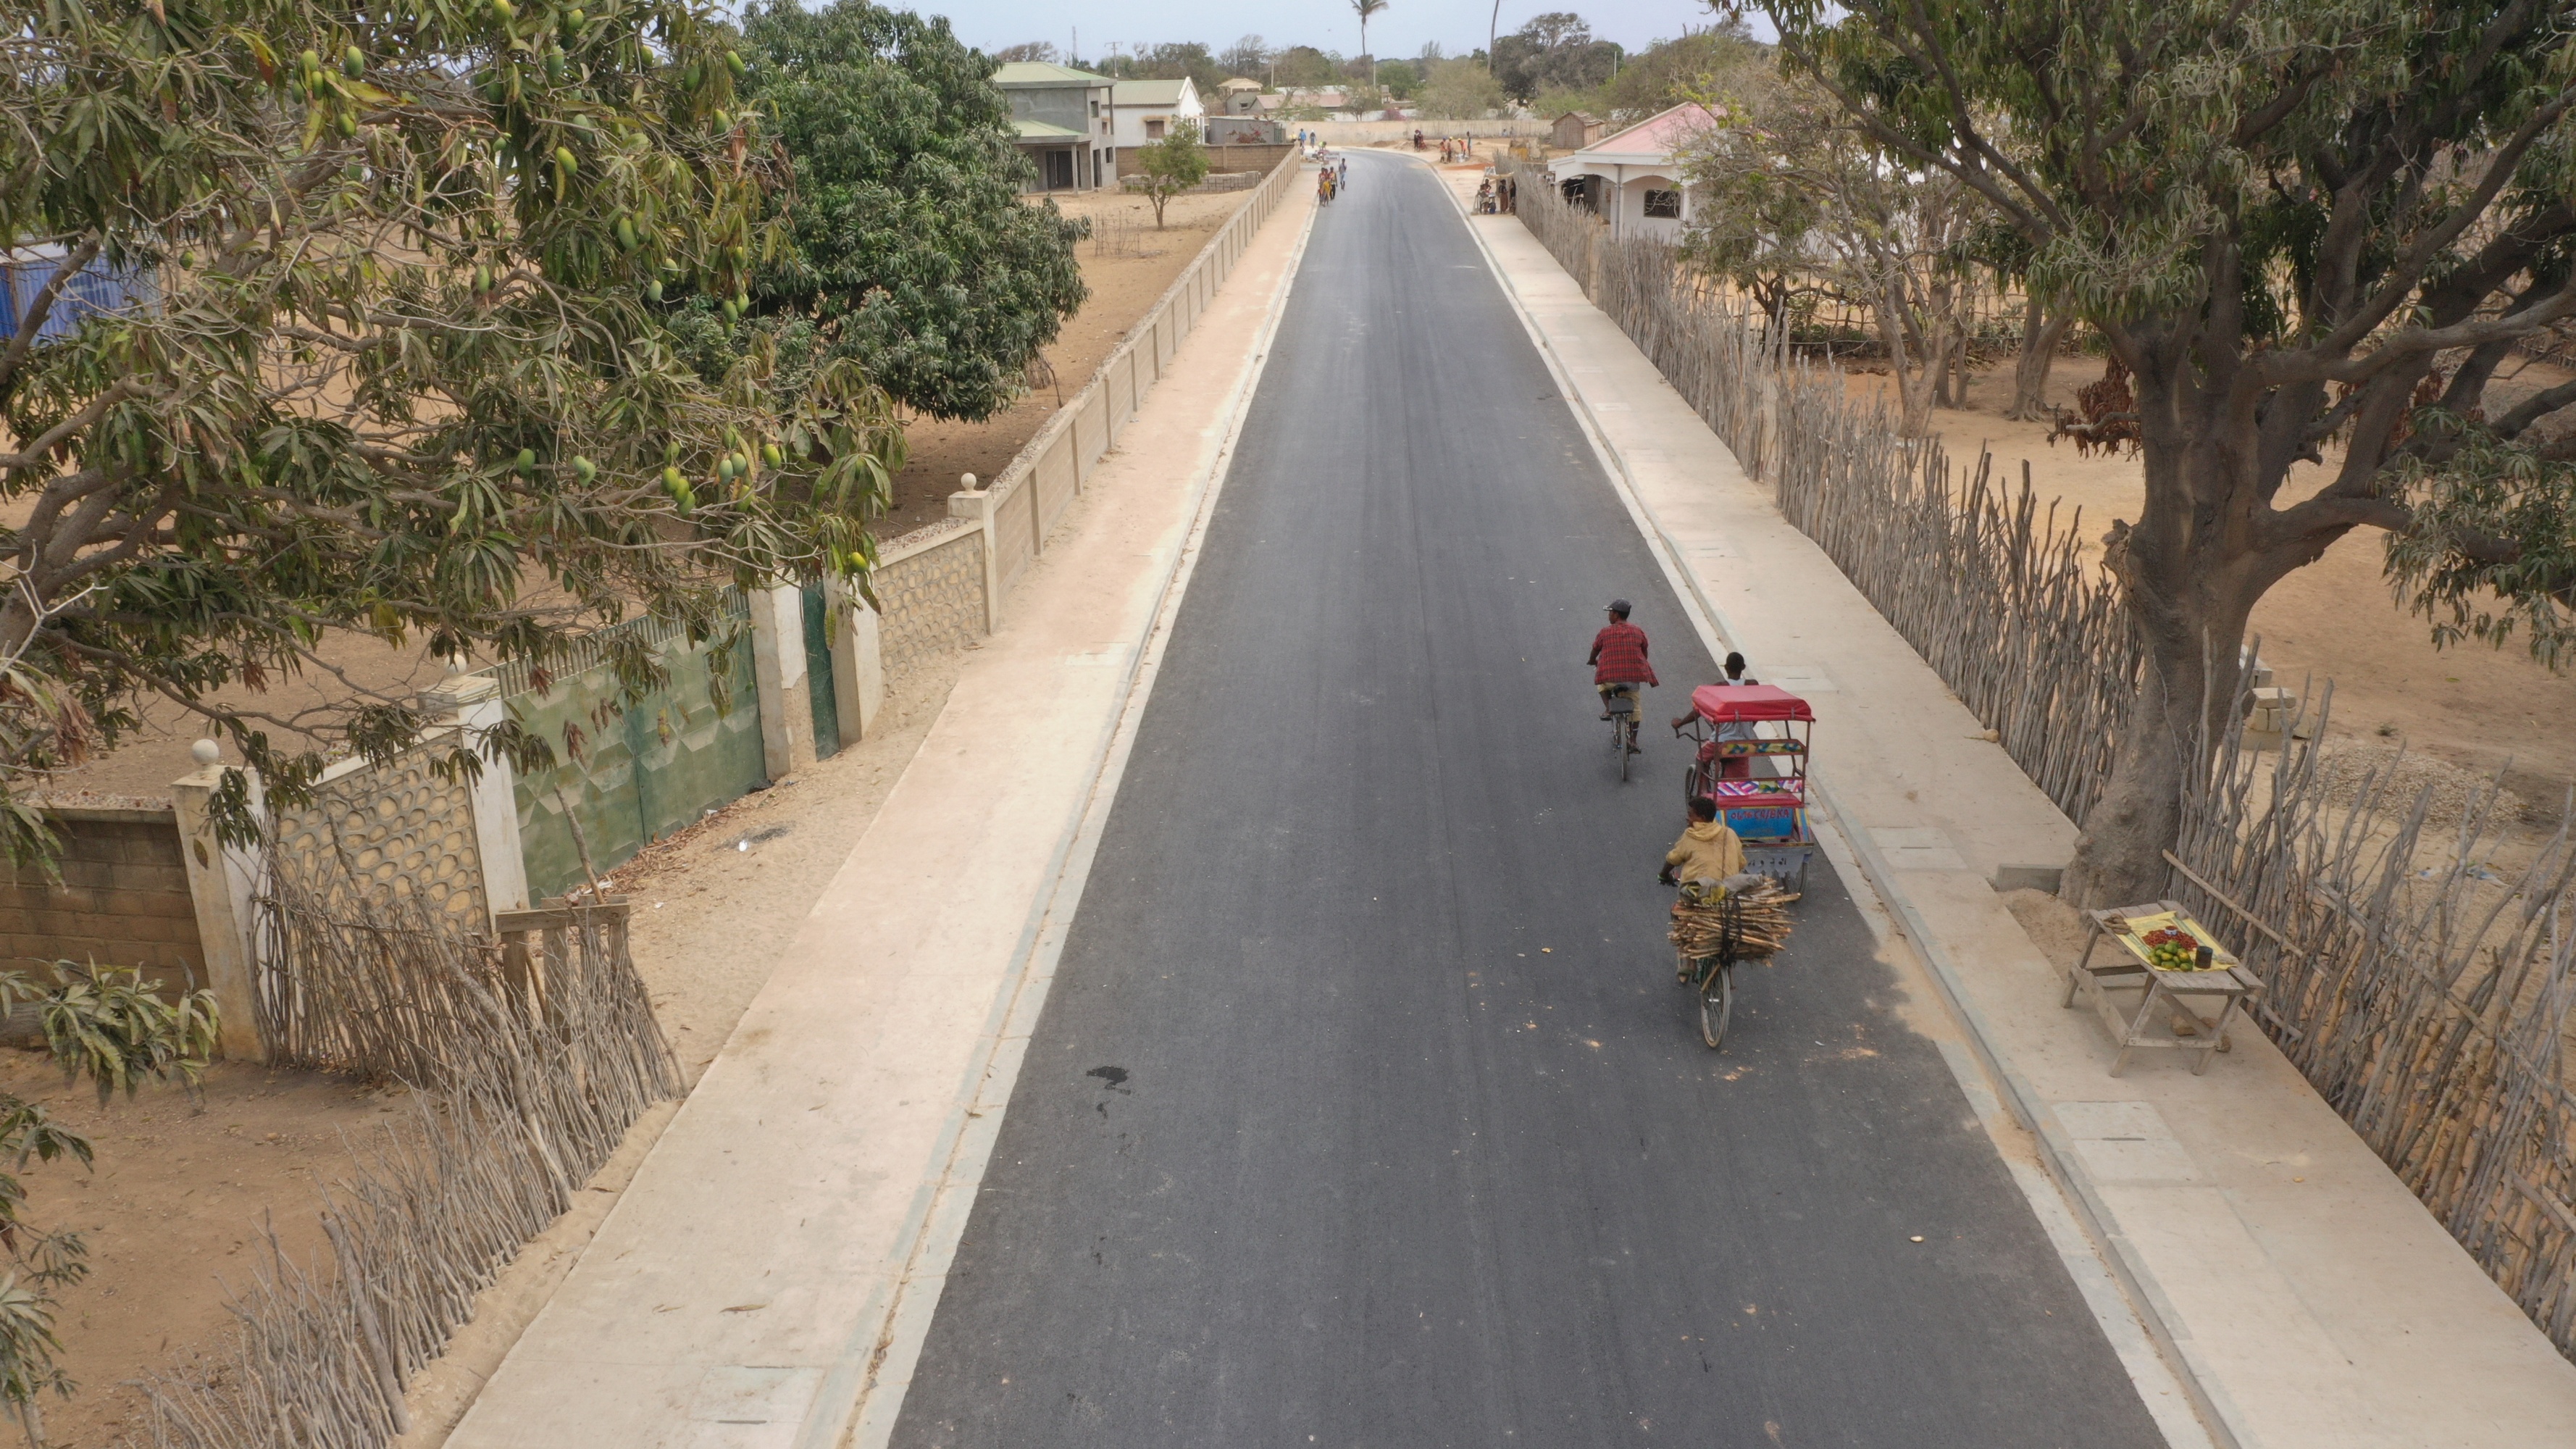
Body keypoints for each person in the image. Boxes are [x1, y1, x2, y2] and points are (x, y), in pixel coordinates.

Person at [1587, 598, 1657, 734]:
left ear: (1616, 615)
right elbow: (1644, 651)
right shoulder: (1637, 631)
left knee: (1601, 686)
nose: (1609, 616)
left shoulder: (1605, 632)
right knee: (1636, 707)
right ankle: (1633, 740)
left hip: (1610, 680)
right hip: (1632, 680)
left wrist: (1592, 660)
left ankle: (1609, 708)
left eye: (1610, 613)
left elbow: (1595, 649)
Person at [1659, 795, 1747, 888]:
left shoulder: (1690, 835)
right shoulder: (1729, 833)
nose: (1687, 818)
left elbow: (1673, 859)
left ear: (1702, 818)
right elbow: (1741, 863)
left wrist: (1663, 875)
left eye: (1690, 815)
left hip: (1698, 892)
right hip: (1729, 890)